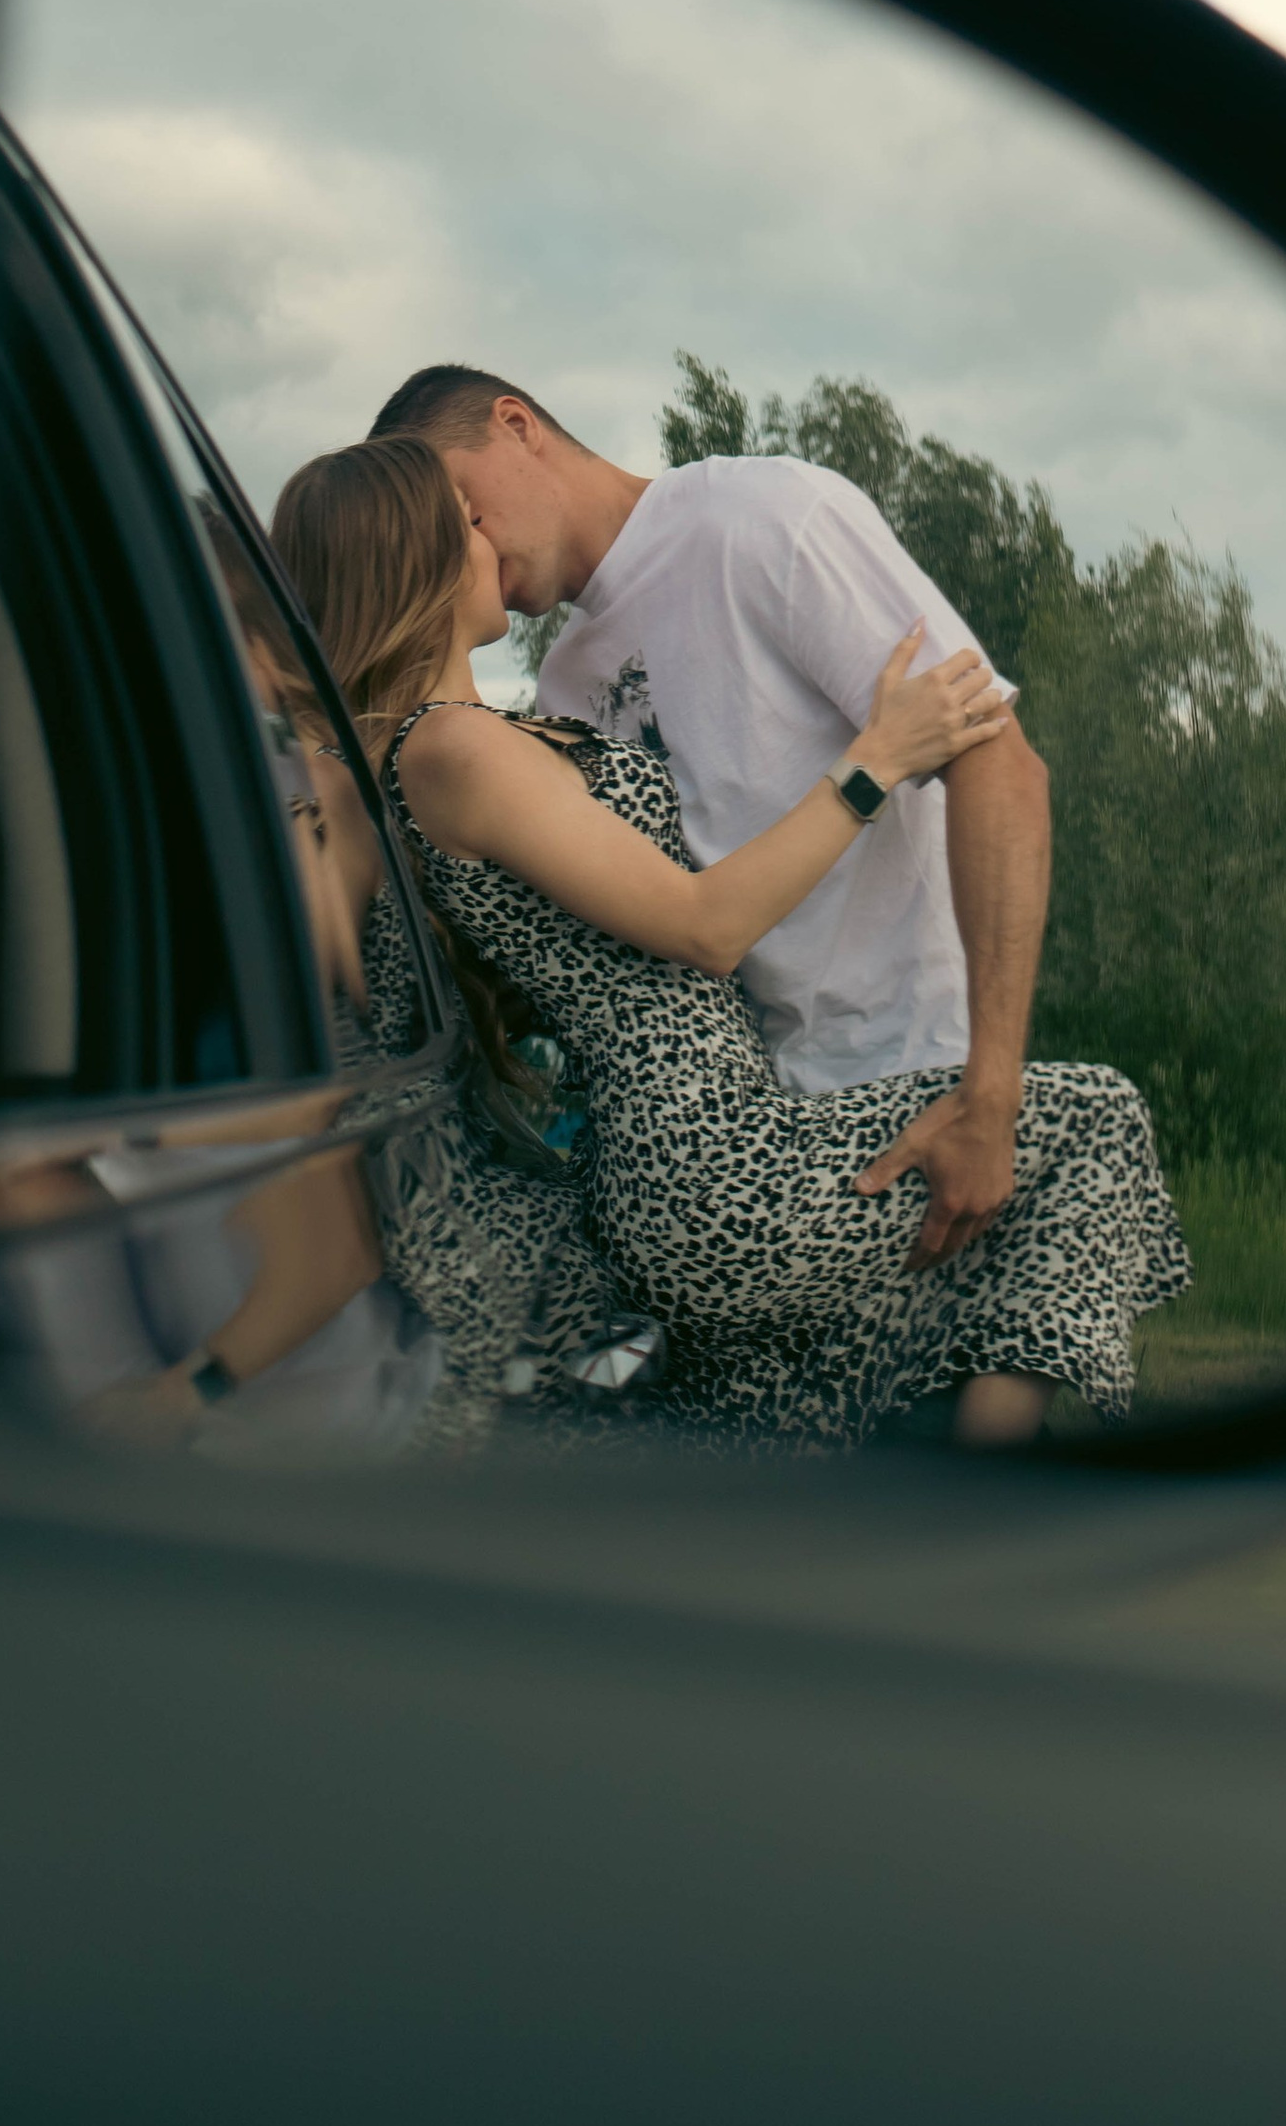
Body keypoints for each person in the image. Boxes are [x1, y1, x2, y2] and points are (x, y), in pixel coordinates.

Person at [273, 434, 1189, 1448]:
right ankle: (992, 1500)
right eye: (464, 523)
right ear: (421, 558)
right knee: (1096, 1123)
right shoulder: (452, 746)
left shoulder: (484, 733)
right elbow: (705, 926)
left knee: (789, 1414)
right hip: (704, 1151)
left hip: (685, 1151)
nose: (486, 536)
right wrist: (875, 760)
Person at [368, 363, 1052, 1274]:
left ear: (516, 424)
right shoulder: (564, 687)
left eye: (462, 506)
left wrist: (991, 1089)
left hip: (919, 1088)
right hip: (754, 1150)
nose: (470, 542)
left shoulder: (764, 517)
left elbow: (998, 764)